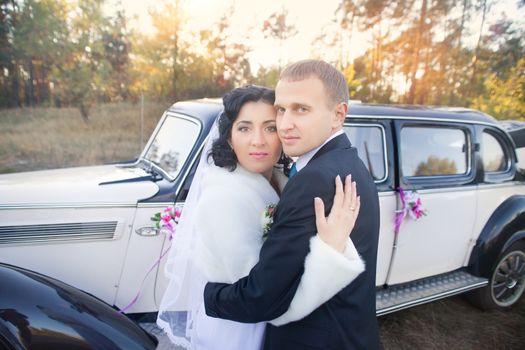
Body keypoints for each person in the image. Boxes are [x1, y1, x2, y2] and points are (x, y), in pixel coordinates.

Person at [157, 84, 365, 350]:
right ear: (230, 138)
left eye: (269, 127)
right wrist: (331, 251)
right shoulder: (222, 198)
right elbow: (266, 297)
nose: (258, 140)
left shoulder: (285, 184)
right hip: (237, 329)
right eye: (244, 128)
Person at [203, 60, 381, 350]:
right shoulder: (346, 161)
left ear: (338, 115)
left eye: (302, 109)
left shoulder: (314, 180)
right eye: (282, 110)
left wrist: (210, 296)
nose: (285, 124)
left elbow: (262, 297)